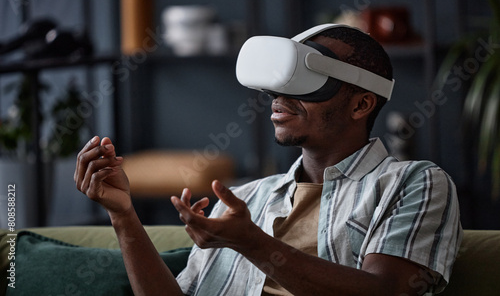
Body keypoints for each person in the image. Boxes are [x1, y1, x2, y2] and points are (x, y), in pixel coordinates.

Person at [74, 24, 462, 296]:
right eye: (278, 85)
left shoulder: (414, 183)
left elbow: (387, 292)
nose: (278, 98)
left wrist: (253, 243)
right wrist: (123, 215)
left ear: (361, 104)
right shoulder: (248, 200)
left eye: (304, 85)